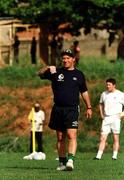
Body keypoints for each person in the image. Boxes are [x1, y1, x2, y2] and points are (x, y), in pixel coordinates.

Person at [37, 49, 92, 171]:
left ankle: (70, 160)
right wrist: (47, 68)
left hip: (72, 109)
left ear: (73, 59)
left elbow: (84, 92)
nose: (65, 60)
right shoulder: (56, 72)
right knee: (60, 137)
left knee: (72, 135)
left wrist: (89, 107)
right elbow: (39, 74)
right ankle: (62, 163)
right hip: (58, 109)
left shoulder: (79, 74)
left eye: (68, 58)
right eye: (64, 58)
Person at [94, 78, 124, 160]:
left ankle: (114, 156)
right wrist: (101, 114)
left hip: (116, 118)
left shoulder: (121, 94)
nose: (107, 86)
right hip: (106, 118)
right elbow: (101, 104)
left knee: (115, 137)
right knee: (103, 137)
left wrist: (122, 114)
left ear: (114, 85)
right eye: (107, 84)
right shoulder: (104, 94)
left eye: (109, 85)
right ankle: (98, 156)